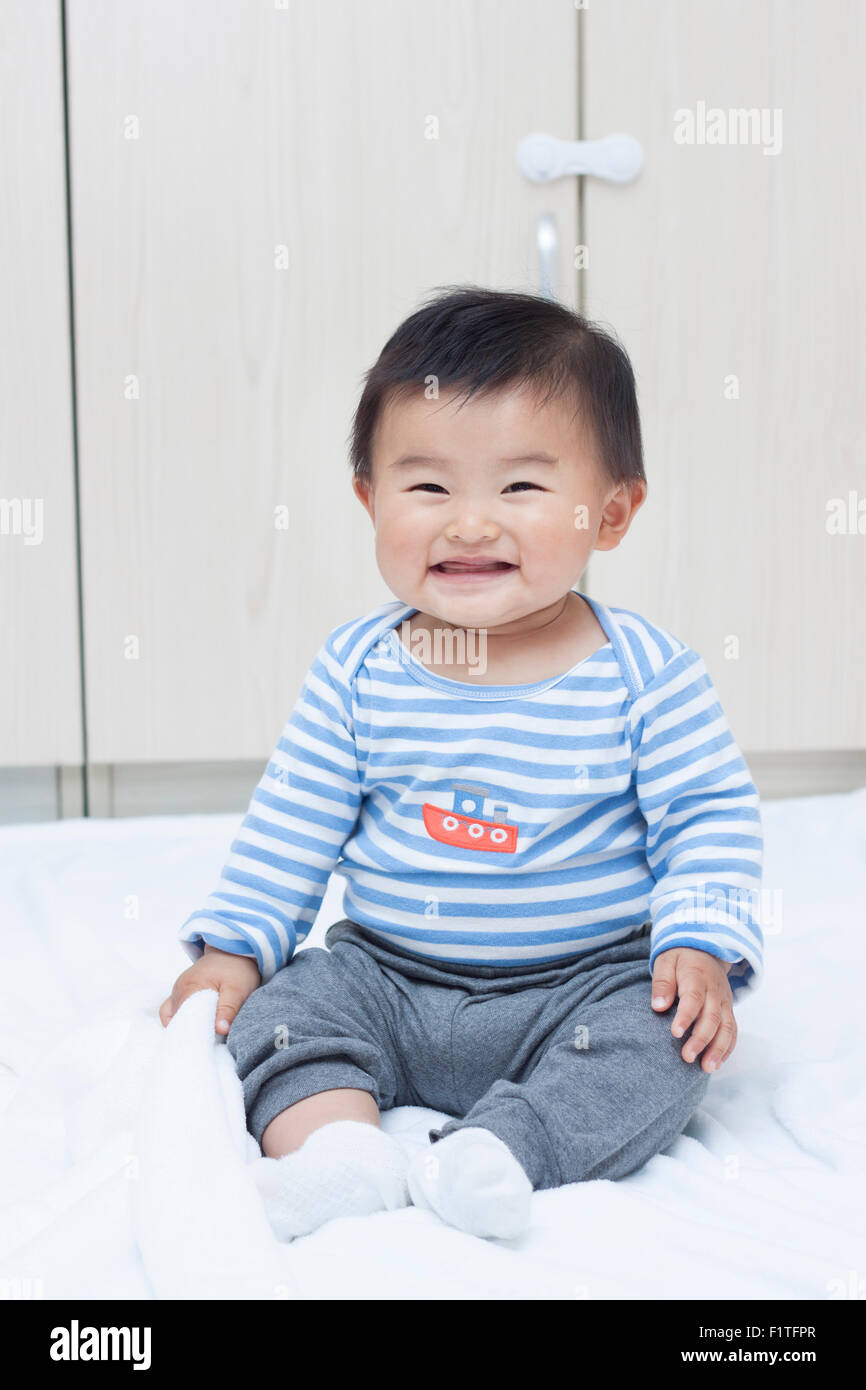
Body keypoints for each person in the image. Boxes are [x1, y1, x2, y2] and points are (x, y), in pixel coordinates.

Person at [160, 285, 764, 1241]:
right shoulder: (358, 670)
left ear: (610, 514)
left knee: (669, 1042)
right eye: (429, 487)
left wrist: (699, 937)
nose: (471, 523)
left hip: (581, 984)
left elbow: (709, 818)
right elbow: (293, 822)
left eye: (521, 488)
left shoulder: (647, 676)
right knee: (285, 1014)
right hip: (390, 978)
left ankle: (503, 1151)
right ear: (370, 501)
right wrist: (237, 949)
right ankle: (340, 1152)